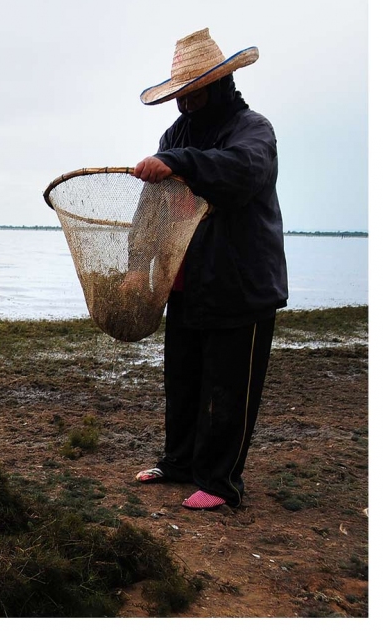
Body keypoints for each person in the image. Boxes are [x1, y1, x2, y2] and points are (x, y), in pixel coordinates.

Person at [126, 28, 288, 510]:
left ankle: (221, 483)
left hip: (242, 284)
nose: (185, 101)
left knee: (230, 389)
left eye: (193, 90)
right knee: (183, 379)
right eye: (180, 93)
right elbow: (152, 207)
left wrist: (176, 162)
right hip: (188, 281)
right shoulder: (176, 133)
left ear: (219, 83)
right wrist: (138, 264)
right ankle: (178, 463)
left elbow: (242, 171)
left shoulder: (251, 129)